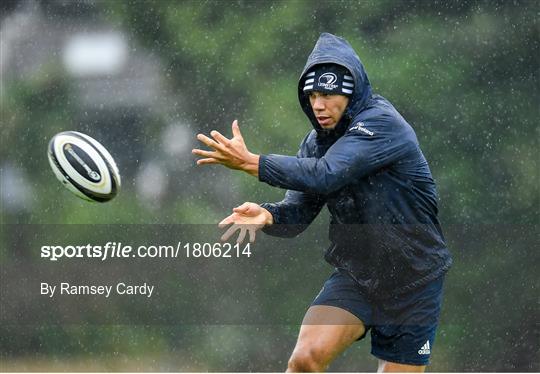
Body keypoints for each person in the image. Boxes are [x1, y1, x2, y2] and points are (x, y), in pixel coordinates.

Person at [192, 32, 452, 372]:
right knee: (305, 360)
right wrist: (269, 215)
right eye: (312, 94)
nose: (318, 104)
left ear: (350, 94)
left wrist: (250, 162)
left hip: (414, 281)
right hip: (356, 276)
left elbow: (327, 174)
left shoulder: (381, 123)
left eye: (328, 94)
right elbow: (299, 214)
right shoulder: (315, 144)